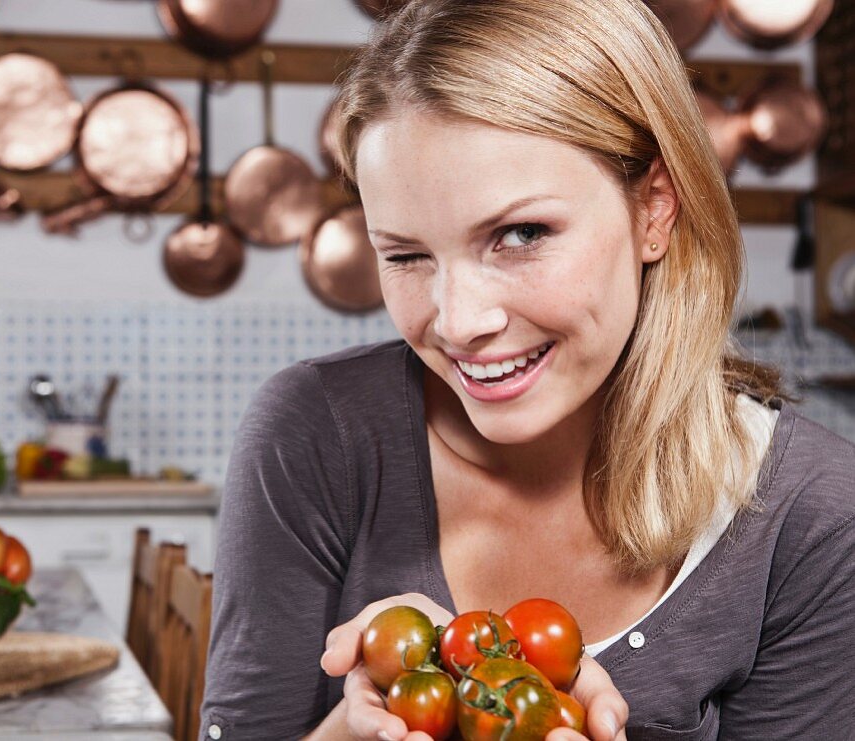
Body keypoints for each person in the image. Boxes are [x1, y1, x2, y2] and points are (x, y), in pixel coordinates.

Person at [200, 0, 855, 738]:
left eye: (520, 233)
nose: (458, 321)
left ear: (656, 209)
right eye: (407, 255)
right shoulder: (315, 431)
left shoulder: (813, 515)